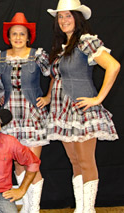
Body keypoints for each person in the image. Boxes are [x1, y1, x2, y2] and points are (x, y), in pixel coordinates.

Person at [47, 0, 120, 212]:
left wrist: (98, 99)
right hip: (64, 112)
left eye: (68, 16)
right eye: (60, 17)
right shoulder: (63, 48)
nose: (63, 20)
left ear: (78, 19)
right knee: (75, 162)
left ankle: (87, 210)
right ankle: (81, 208)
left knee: (86, 162)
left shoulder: (85, 42)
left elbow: (113, 66)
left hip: (82, 109)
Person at [0, 12, 53, 212]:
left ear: (28, 37)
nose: (18, 38)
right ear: (8, 37)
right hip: (9, 117)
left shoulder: (38, 55)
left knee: (32, 164)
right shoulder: (0, 57)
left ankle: (33, 209)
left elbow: (56, 73)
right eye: (14, 34)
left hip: (31, 115)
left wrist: (48, 97)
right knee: (18, 164)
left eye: (22, 34)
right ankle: (26, 206)